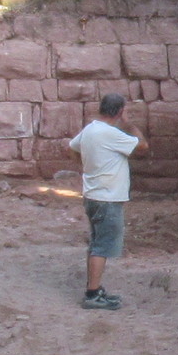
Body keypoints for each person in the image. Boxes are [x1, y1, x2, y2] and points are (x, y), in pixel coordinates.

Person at [68, 93, 140, 311]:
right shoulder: (111, 133)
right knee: (102, 246)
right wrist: (129, 124)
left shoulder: (90, 130)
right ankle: (92, 294)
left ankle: (95, 288)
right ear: (120, 111)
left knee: (96, 243)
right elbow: (143, 146)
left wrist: (87, 167)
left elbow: (73, 147)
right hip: (108, 198)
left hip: (93, 195)